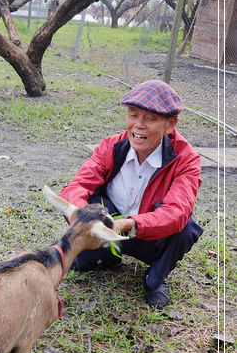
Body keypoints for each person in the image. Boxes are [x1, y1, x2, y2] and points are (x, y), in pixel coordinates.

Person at [59, 80, 204, 309]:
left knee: (186, 226)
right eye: (133, 115)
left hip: (146, 234)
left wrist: (129, 224)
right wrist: (81, 216)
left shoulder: (186, 159)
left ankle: (155, 279)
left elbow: (177, 212)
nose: (138, 125)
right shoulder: (111, 146)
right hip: (108, 226)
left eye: (150, 119)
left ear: (170, 125)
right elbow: (77, 186)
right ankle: (106, 256)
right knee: (80, 208)